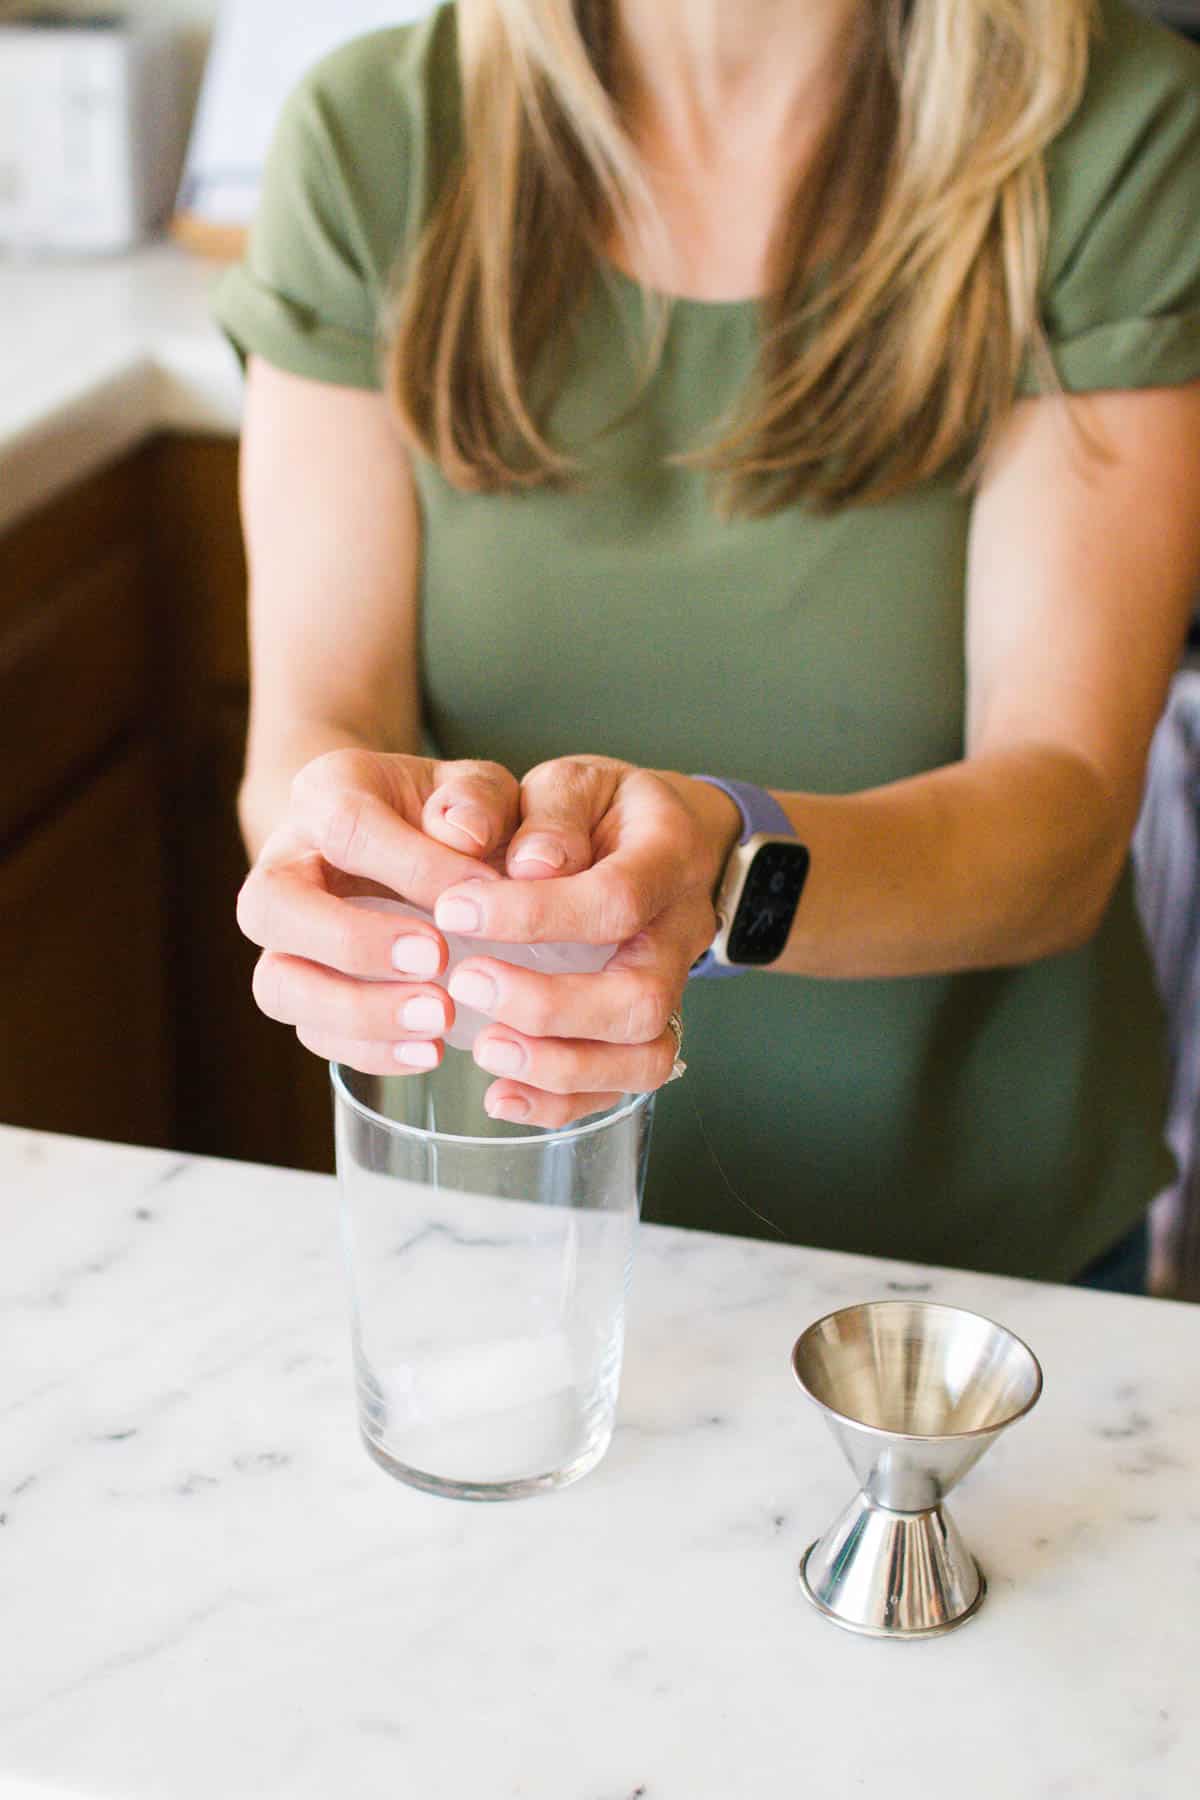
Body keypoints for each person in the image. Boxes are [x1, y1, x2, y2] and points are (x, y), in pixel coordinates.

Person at [214, 0, 1200, 1291]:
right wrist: (332, 844)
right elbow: (313, 720)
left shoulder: (1112, 127)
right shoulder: (373, 133)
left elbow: (1063, 817)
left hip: (968, 1290)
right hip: (504, 1235)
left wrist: (725, 875)